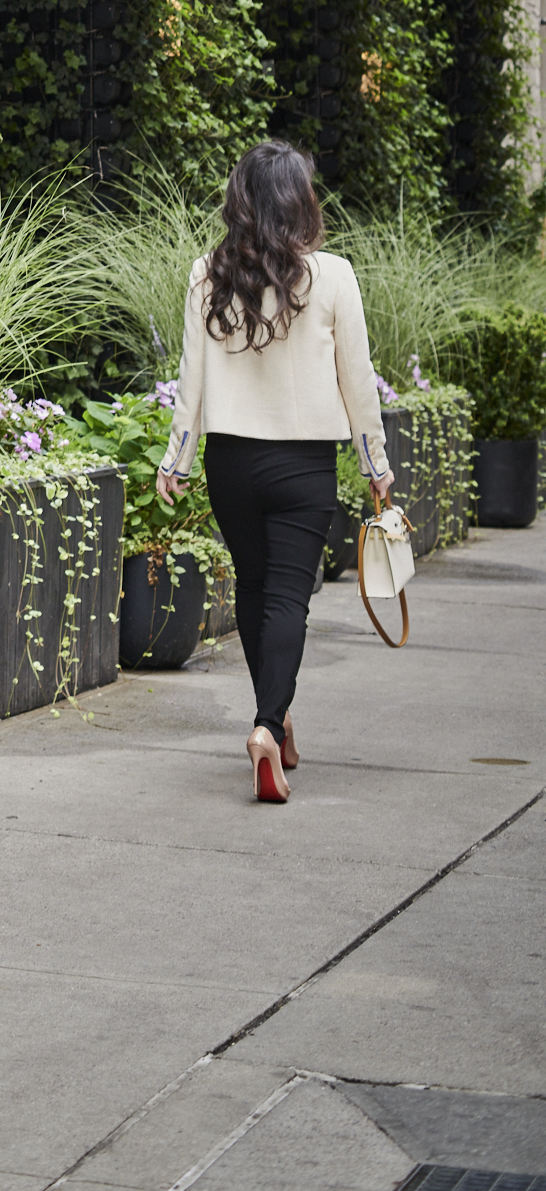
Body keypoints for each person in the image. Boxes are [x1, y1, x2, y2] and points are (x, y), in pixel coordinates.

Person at [155, 138, 396, 805]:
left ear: (240, 200)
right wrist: (377, 466)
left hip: (230, 460)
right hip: (303, 465)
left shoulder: (209, 273)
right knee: (290, 598)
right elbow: (358, 383)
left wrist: (174, 459)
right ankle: (266, 726)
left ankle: (277, 716)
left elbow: (191, 379)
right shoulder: (334, 276)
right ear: (301, 200)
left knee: (255, 589)